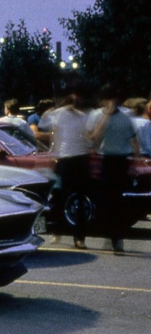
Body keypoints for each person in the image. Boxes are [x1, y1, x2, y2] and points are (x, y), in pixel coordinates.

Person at [87, 85, 139, 253]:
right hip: (103, 160)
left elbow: (134, 141)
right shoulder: (96, 115)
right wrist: (105, 118)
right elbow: (93, 138)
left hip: (120, 161)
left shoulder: (125, 118)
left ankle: (116, 238)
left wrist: (134, 162)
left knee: (117, 202)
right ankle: (112, 235)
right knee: (105, 202)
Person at [40, 91, 92, 250]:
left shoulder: (83, 116)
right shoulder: (60, 114)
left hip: (78, 158)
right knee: (60, 197)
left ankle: (78, 236)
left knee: (78, 199)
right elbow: (45, 123)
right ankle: (58, 230)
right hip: (66, 158)